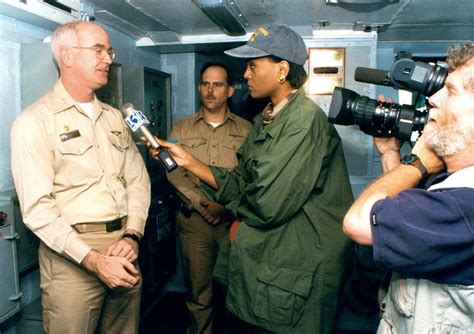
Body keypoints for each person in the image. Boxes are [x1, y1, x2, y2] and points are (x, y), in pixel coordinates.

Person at [151, 24, 354, 333]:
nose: (245, 74)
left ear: (282, 70)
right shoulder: (266, 119)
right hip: (275, 257)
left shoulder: (303, 121)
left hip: (301, 258)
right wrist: (189, 160)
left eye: (252, 65)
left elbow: (265, 202)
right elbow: (241, 180)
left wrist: (225, 210)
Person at [10, 21, 151, 334]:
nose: (109, 59)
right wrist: (95, 261)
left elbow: (138, 180)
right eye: (98, 50)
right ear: (67, 56)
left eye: (109, 50)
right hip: (71, 256)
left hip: (123, 249)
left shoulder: (114, 118)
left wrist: (132, 234)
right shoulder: (34, 122)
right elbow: (37, 211)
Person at [343, 42, 474, 332]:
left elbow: (360, 222)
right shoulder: (453, 185)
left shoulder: (465, 206)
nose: (434, 100)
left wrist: (418, 162)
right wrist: (391, 154)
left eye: (450, 91)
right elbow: (406, 215)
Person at [166, 62, 251, 334]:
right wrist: (201, 203)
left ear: (229, 90)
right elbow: (173, 172)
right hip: (195, 225)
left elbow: (251, 177)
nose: (210, 90)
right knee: (198, 295)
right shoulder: (182, 128)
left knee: (235, 293)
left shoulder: (248, 131)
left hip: (233, 224)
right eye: (205, 84)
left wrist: (226, 207)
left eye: (217, 84)